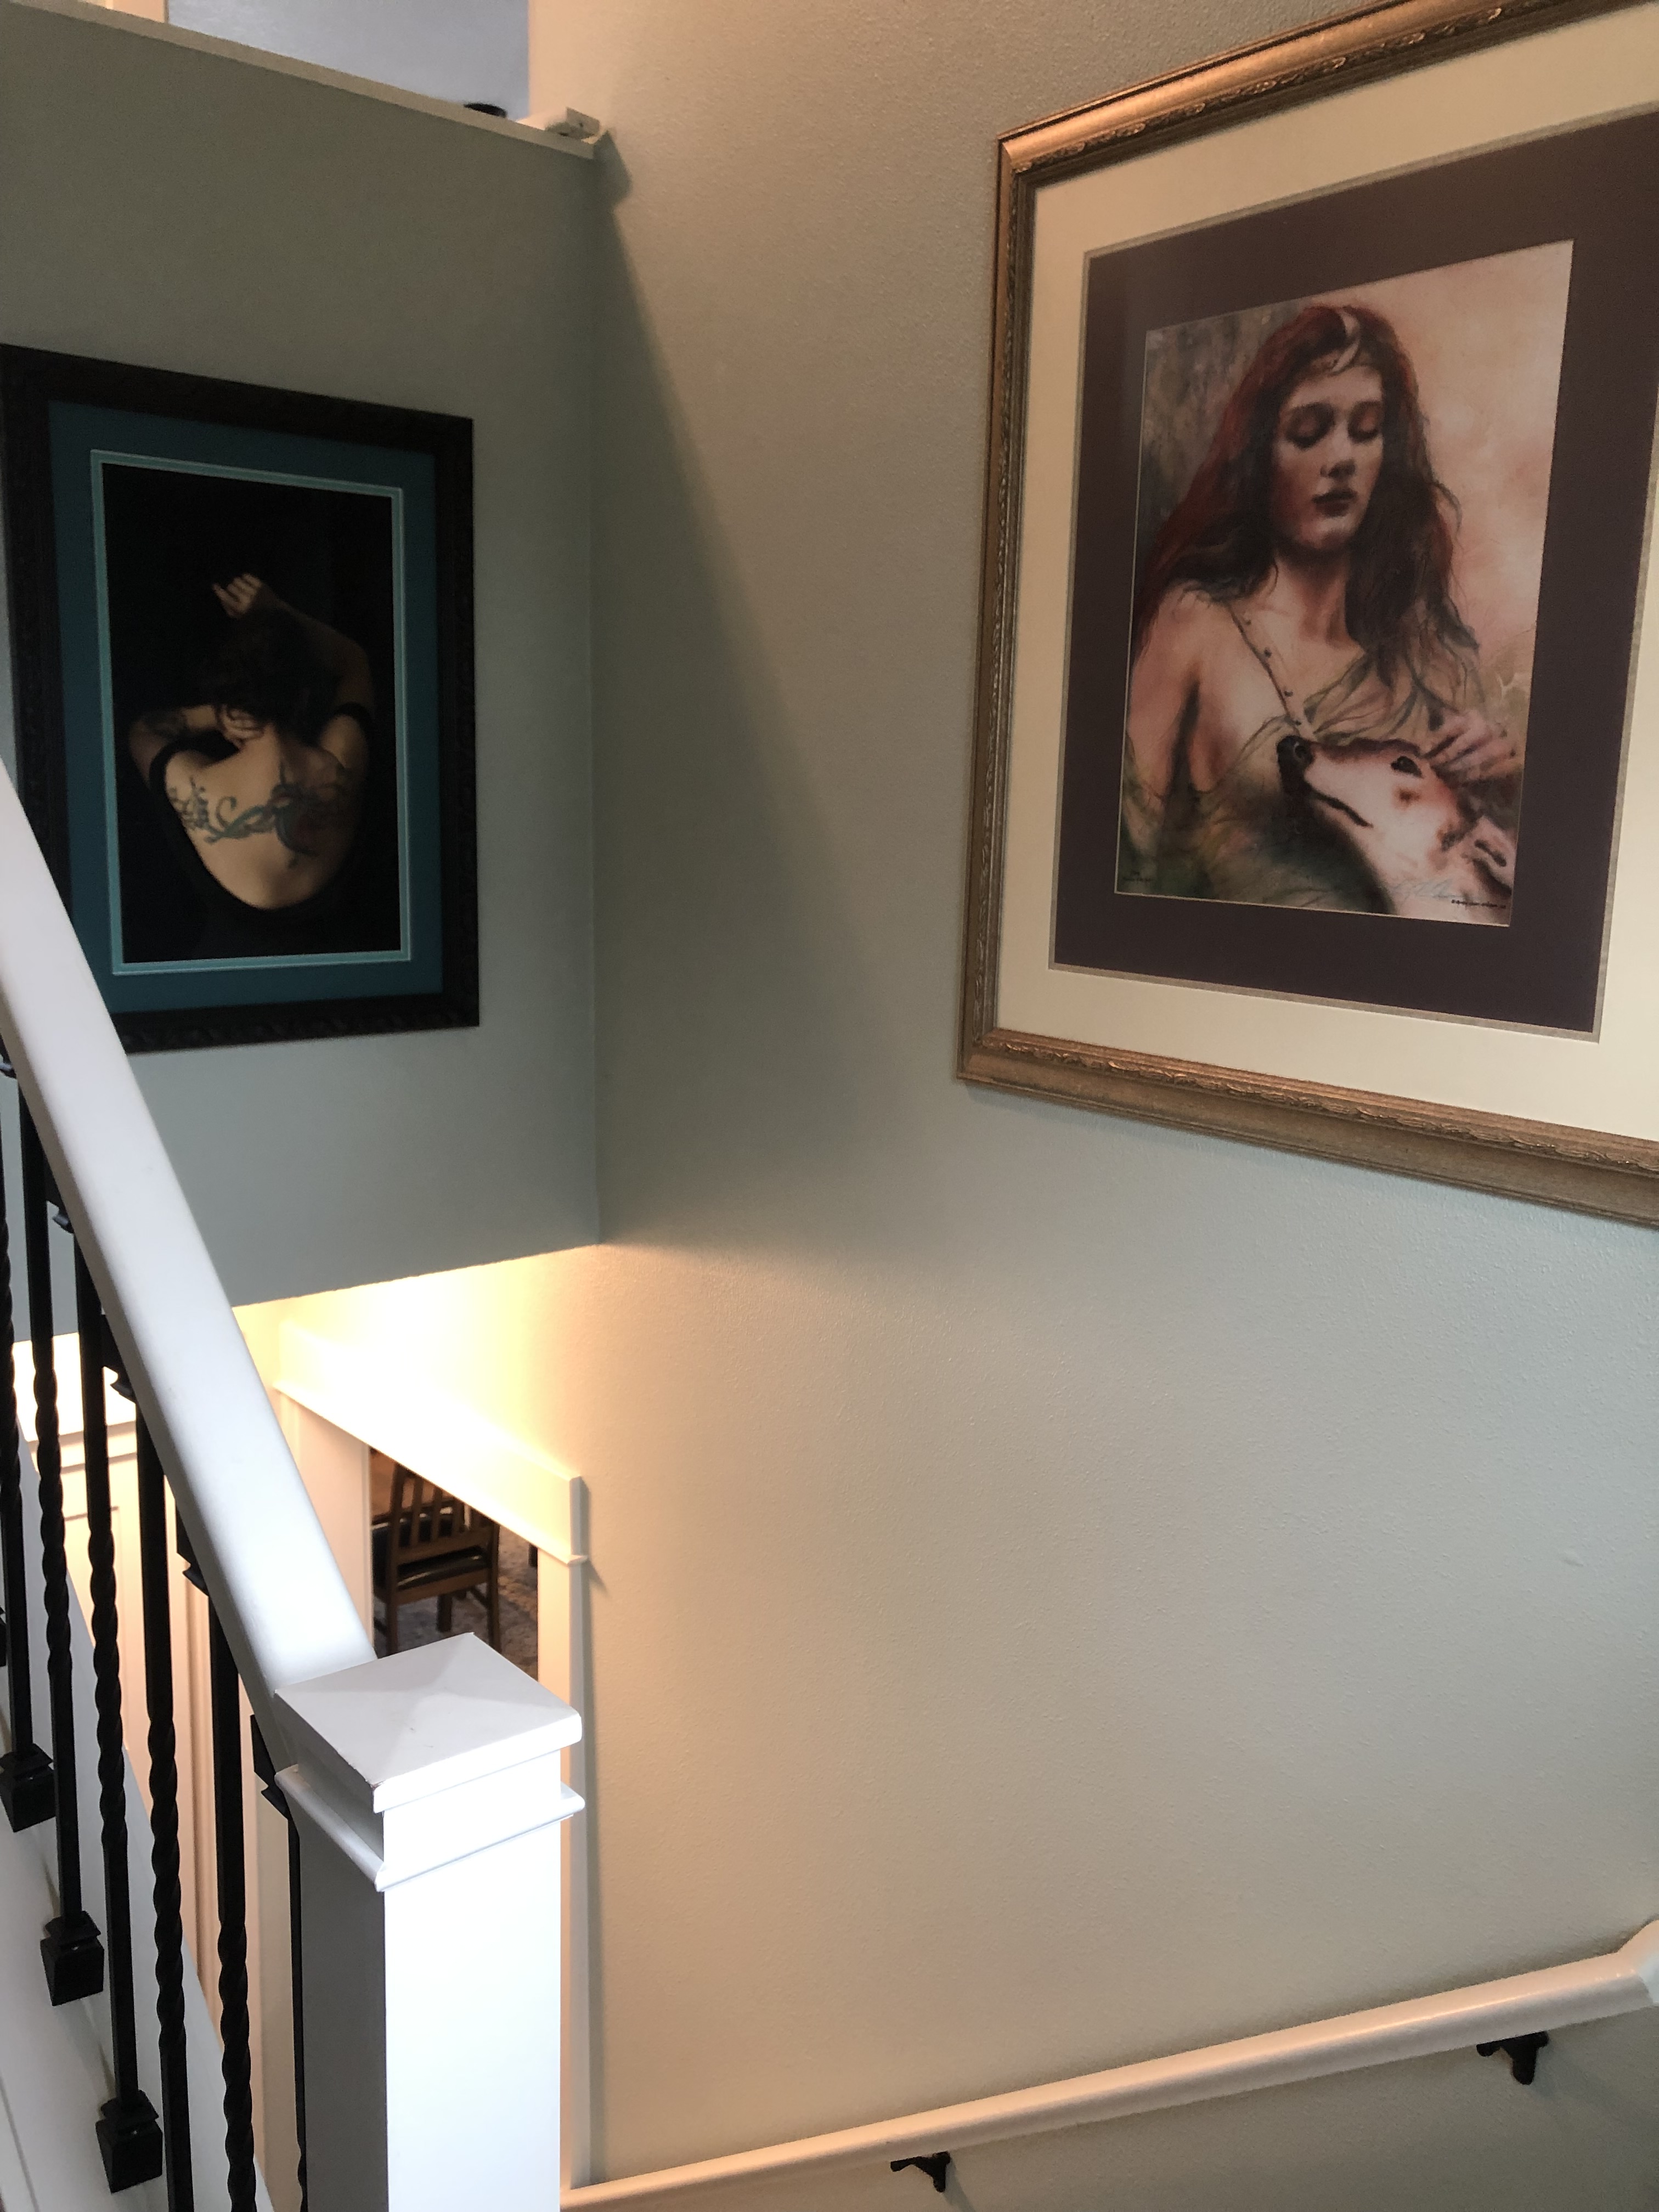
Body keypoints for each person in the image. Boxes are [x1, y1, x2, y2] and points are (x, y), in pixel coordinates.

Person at [1119, 302, 1519, 916]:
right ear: (1259, 453)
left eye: (1367, 429)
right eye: (1308, 431)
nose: (1341, 458)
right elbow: (1125, 859)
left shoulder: (1426, 653)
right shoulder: (1197, 625)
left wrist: (1501, 782)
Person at [127, 575, 374, 957]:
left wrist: (216, 715)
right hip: (345, 981)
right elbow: (355, 662)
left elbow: (143, 731)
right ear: (304, 695)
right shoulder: (343, 765)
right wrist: (278, 610)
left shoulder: (193, 787)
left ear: (227, 698)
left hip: (221, 987)